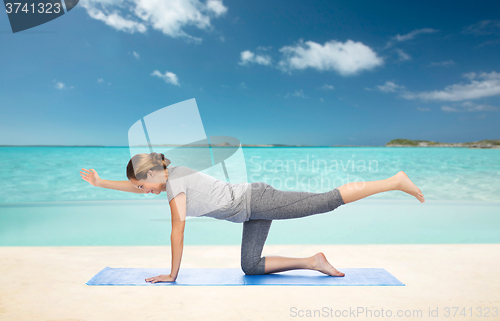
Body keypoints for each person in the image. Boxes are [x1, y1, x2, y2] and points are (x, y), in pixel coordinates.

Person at [80, 152, 425, 284]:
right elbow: (136, 185)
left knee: (325, 202)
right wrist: (100, 183)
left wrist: (173, 274)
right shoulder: (170, 177)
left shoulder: (175, 188)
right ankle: (314, 261)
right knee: (250, 265)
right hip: (249, 211)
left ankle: (394, 181)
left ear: (155, 173)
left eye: (144, 186)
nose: (144, 192)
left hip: (258, 200)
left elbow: (177, 233)